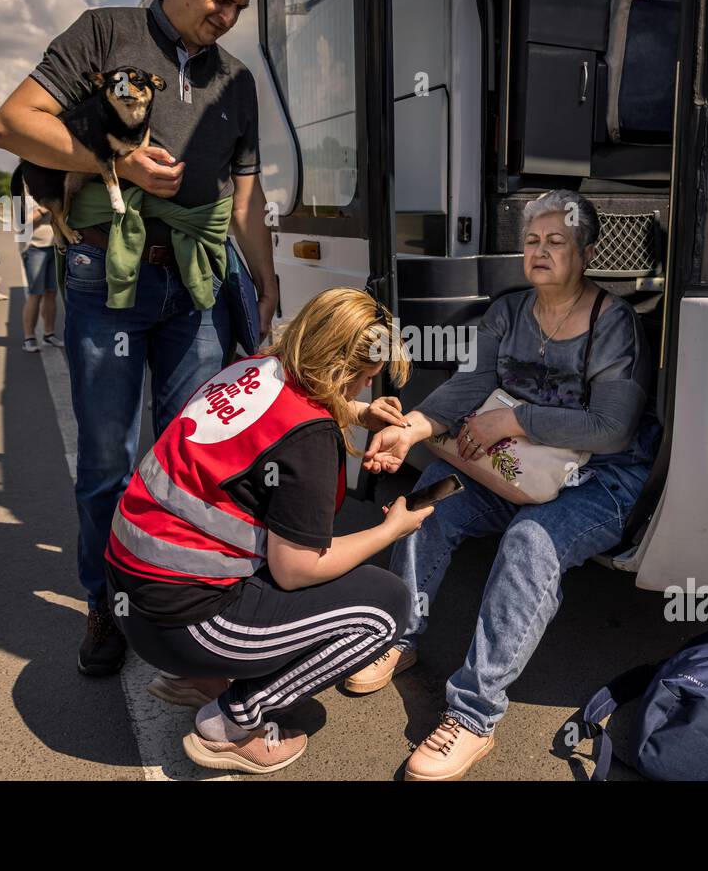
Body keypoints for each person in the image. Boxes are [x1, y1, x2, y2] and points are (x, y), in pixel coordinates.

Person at [0, 0, 280, 675]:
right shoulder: (103, 33)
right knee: (108, 461)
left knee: (191, 456)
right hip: (104, 282)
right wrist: (115, 160)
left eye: (239, 7)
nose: (226, 16)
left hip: (195, 287)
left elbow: (244, 198)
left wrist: (268, 284)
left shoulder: (237, 82)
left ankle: (177, 595)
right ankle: (105, 600)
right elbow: (11, 123)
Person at [357, 190, 658, 780]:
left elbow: (614, 428)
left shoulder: (613, 321)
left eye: (557, 242)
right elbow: (470, 389)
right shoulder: (509, 311)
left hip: (601, 479)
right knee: (431, 500)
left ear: (587, 252)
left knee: (529, 542)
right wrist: (413, 429)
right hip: (519, 464)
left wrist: (514, 419)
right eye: (531, 241)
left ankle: (472, 716)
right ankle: (397, 634)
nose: (540, 252)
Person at [107, 288, 430, 774]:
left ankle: (193, 675)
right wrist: (391, 530)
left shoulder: (253, 369)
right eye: (363, 380)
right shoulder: (310, 436)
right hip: (183, 620)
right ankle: (233, 725)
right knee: (386, 609)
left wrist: (355, 414)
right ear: (342, 371)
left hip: (135, 598)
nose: (365, 390)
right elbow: (298, 569)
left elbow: (278, 424)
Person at [19, 197, 63, 352]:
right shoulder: (19, 190)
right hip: (34, 248)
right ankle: (29, 338)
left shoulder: (47, 186)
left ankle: (49, 334)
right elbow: (20, 224)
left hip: (54, 245)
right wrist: (43, 209)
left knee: (51, 293)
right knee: (35, 294)